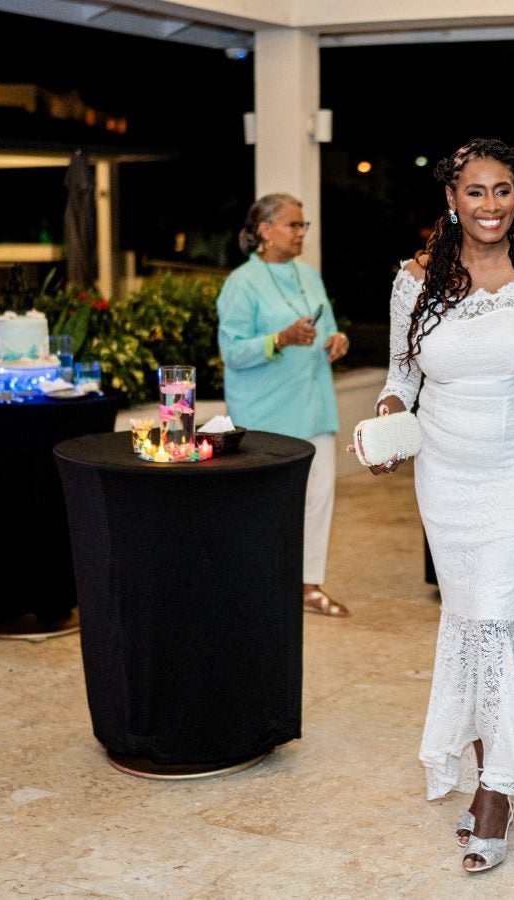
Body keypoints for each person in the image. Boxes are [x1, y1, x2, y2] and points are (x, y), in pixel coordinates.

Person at [364, 138, 514, 874]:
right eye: (475, 191)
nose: (489, 205)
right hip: (445, 470)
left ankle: (495, 793)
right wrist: (386, 417)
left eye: (501, 191)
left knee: (494, 617)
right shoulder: (414, 279)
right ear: (451, 199)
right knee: (469, 622)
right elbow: (404, 371)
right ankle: (496, 774)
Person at [216, 192, 351, 618]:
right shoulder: (241, 283)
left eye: (303, 225)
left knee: (318, 496)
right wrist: (280, 339)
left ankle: (308, 586)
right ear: (264, 231)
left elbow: (327, 327)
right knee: (266, 506)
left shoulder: (308, 276)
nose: (300, 233)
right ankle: (259, 587)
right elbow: (232, 352)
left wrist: (336, 340)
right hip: (265, 412)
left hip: (313, 404)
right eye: (293, 225)